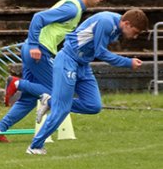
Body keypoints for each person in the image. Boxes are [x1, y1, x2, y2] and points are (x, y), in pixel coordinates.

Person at [0, 0, 106, 142]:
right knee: (56, 93)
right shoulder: (72, 9)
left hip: (33, 49)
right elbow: (39, 17)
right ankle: (16, 83)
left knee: (29, 98)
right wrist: (35, 45)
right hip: (38, 51)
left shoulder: (75, 6)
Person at [27, 9, 147, 155]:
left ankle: (51, 102)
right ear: (127, 23)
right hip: (68, 60)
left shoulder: (117, 26)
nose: (135, 37)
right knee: (62, 109)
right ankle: (34, 147)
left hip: (82, 64)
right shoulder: (106, 22)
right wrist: (128, 62)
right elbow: (101, 52)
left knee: (94, 105)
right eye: (135, 32)